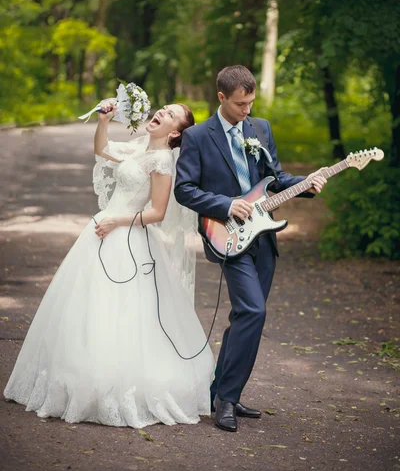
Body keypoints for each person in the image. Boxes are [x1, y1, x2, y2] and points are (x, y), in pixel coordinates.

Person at [4, 102, 215, 428]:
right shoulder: (138, 149)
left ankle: (116, 385)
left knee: (124, 311)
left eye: (170, 114)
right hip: (102, 233)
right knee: (87, 305)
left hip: (127, 236)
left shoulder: (161, 161)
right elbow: (102, 149)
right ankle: (79, 377)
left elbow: (157, 213)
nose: (161, 111)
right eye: (163, 107)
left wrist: (116, 220)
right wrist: (103, 121)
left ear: (175, 132)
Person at [174, 65, 327, 432]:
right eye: (241, 104)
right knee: (254, 311)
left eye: (251, 103)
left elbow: (274, 178)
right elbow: (184, 189)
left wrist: (306, 183)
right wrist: (226, 204)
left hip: (264, 237)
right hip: (227, 235)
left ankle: (222, 391)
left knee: (246, 317)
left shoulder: (261, 128)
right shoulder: (196, 136)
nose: (247, 111)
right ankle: (225, 402)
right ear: (221, 97)